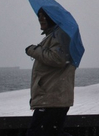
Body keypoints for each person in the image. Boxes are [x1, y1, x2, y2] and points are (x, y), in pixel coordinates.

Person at [25, 8, 76, 136]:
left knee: (36, 133)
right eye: (39, 16)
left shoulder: (60, 35)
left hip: (51, 99)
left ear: (52, 18)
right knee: (53, 133)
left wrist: (33, 50)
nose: (40, 19)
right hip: (52, 98)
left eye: (44, 16)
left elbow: (58, 59)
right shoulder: (53, 35)